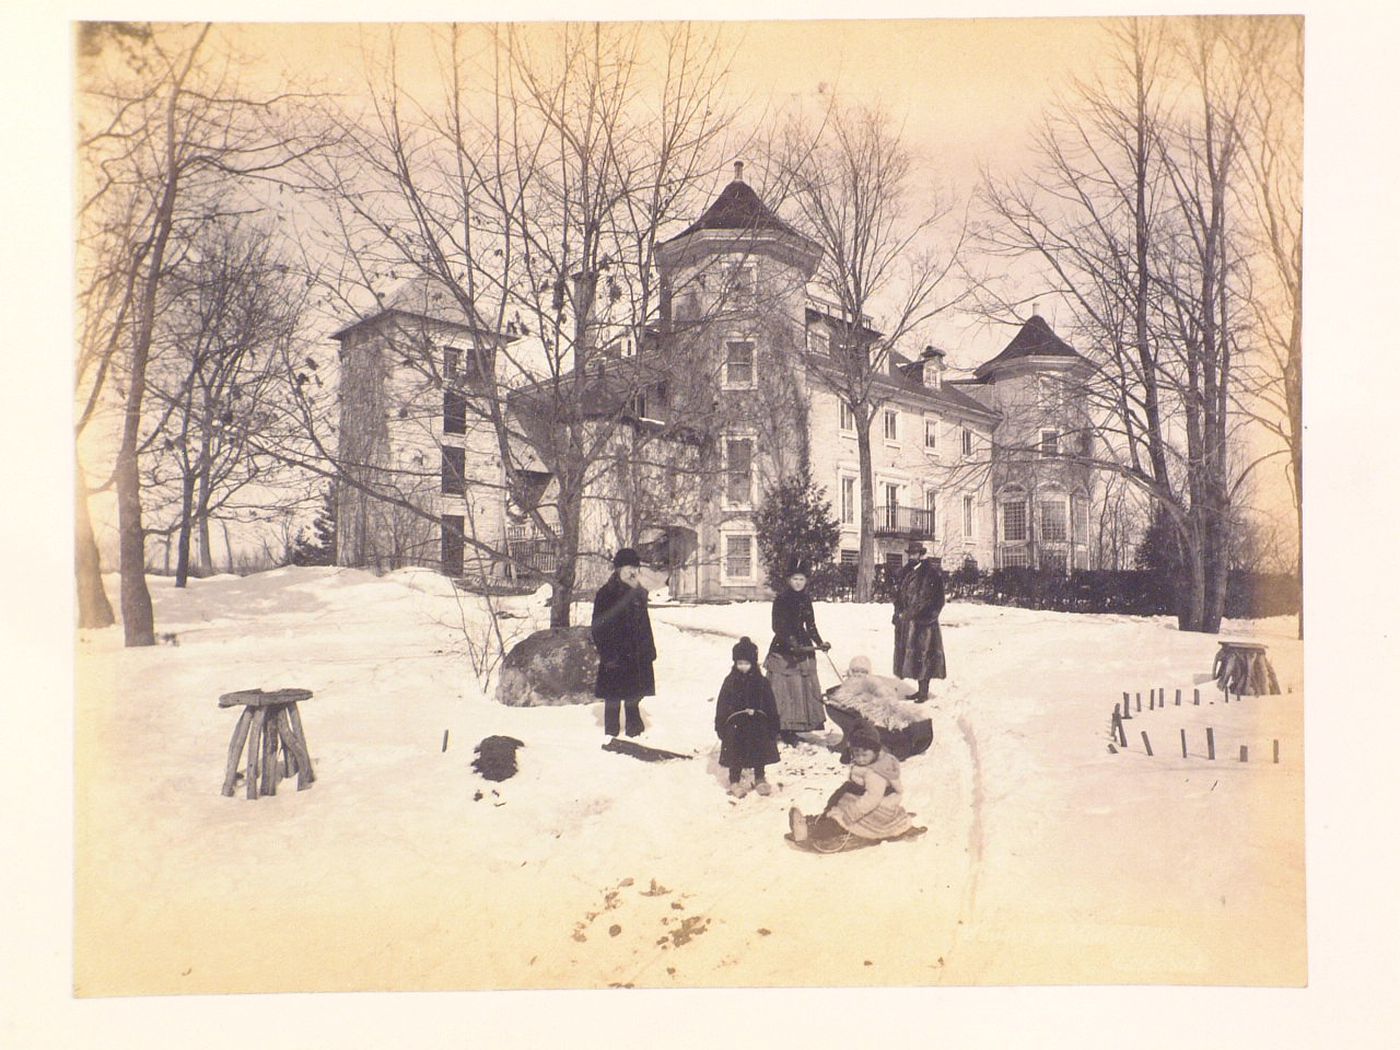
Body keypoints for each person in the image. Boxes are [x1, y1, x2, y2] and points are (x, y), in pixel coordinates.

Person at [787, 723, 924, 852]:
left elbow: (872, 798)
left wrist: (851, 814)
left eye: (864, 754)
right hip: (864, 804)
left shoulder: (876, 773)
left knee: (839, 823)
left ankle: (813, 831)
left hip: (875, 811)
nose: (860, 759)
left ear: (875, 752)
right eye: (856, 753)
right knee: (837, 810)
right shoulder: (868, 764)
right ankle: (812, 821)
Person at [591, 547, 656, 738]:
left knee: (634, 696)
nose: (633, 571)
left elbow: (644, 624)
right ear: (618, 569)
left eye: (635, 567)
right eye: (629, 567)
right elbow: (597, 627)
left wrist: (648, 651)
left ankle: (634, 732)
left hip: (635, 654)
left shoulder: (637, 592)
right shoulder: (606, 594)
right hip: (615, 653)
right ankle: (611, 734)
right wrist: (607, 653)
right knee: (612, 698)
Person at [765, 556, 830, 744]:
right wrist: (791, 642)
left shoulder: (806, 599)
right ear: (788, 580)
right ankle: (782, 726)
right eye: (795, 579)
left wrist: (820, 641)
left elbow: (810, 625)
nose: (798, 583)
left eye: (801, 579)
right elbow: (777, 625)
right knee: (786, 688)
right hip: (784, 648)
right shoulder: (781, 599)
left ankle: (797, 725)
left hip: (802, 645)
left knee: (801, 688)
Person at [714, 636, 781, 798]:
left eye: (746, 663)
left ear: (753, 663)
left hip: (757, 724)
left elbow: (770, 703)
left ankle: (759, 777)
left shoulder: (762, 682)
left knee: (759, 751)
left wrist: (772, 723)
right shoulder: (730, 681)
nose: (743, 667)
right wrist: (721, 723)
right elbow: (722, 703)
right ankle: (735, 780)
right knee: (735, 754)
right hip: (736, 726)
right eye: (739, 663)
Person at [891, 541, 946, 701]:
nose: (911, 556)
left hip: (924, 625)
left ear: (921, 555)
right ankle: (919, 690)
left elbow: (938, 600)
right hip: (908, 623)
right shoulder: (906, 573)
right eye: (910, 554)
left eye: (915, 554)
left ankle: (923, 692)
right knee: (914, 658)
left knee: (925, 657)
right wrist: (898, 614)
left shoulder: (931, 574)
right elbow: (899, 597)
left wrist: (926, 617)